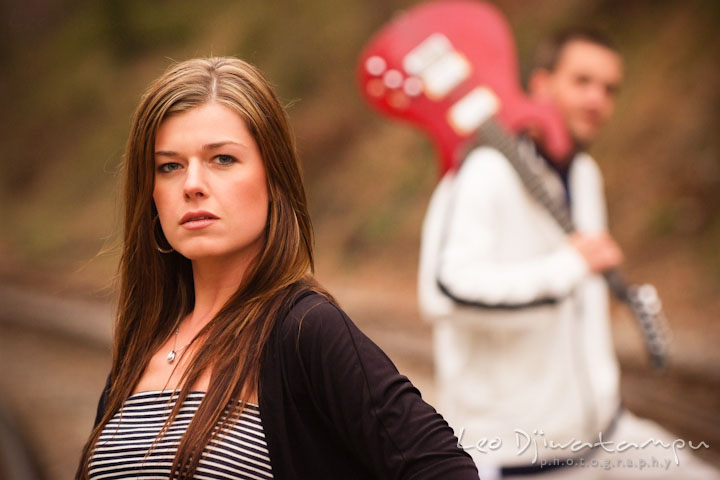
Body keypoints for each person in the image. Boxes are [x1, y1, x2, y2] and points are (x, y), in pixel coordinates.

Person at [75, 57, 478, 480]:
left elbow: (443, 469)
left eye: (223, 159)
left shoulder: (306, 330)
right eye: (169, 166)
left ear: (274, 178)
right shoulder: (142, 346)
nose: (191, 184)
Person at [418, 29, 720, 479]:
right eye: (582, 81)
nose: (597, 99)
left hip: (607, 432)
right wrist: (567, 269)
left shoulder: (584, 173)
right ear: (540, 85)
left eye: (609, 89)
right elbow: (447, 290)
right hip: (524, 459)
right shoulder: (484, 171)